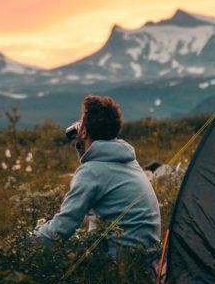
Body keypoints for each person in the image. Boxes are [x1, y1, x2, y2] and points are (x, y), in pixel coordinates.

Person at [33, 95, 161, 256]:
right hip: (146, 261)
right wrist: (83, 144)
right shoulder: (127, 161)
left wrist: (29, 241)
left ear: (84, 131)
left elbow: (63, 227)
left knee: (56, 252)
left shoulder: (91, 172)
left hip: (118, 264)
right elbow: (96, 167)